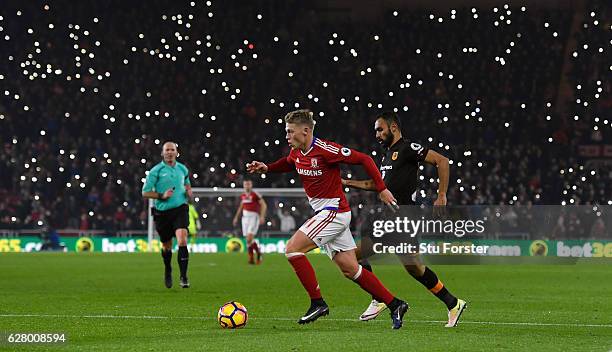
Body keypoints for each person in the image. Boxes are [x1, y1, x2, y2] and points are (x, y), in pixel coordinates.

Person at [247, 109, 409, 329]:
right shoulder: (296, 152)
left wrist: (381, 188)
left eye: (290, 131)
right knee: (350, 269)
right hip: (326, 213)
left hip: (334, 211)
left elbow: (364, 159)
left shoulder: (325, 149)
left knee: (292, 249)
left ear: (305, 131)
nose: (286, 136)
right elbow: (288, 163)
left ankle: (317, 303)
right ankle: (395, 304)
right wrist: (267, 168)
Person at [342, 112, 467, 327]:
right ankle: (453, 303)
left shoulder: (408, 149)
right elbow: (377, 185)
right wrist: (347, 182)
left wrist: (442, 195)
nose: (377, 134)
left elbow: (442, 161)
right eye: (375, 131)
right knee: (414, 268)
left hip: (400, 217)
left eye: (380, 129)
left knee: (352, 257)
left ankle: (379, 298)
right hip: (393, 218)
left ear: (393, 128)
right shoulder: (386, 155)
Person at [142, 141, 193, 289]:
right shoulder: (155, 171)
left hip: (180, 209)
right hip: (162, 212)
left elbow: (187, 184)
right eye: (167, 150)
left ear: (177, 152)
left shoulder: (183, 169)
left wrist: (189, 192)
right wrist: (161, 195)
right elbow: (145, 192)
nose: (170, 152)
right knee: (167, 245)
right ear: (162, 153)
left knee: (182, 240)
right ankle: (168, 269)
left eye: (172, 149)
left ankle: (184, 276)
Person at [232, 179, 267, 264]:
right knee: (248, 240)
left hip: (253, 217)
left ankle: (257, 254)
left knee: (249, 238)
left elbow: (264, 204)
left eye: (249, 184)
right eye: (245, 184)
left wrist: (262, 216)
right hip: (245, 218)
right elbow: (241, 206)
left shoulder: (255, 194)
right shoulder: (243, 195)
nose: (247, 186)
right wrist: (236, 217)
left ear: (251, 185)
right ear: (243, 185)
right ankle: (253, 257)